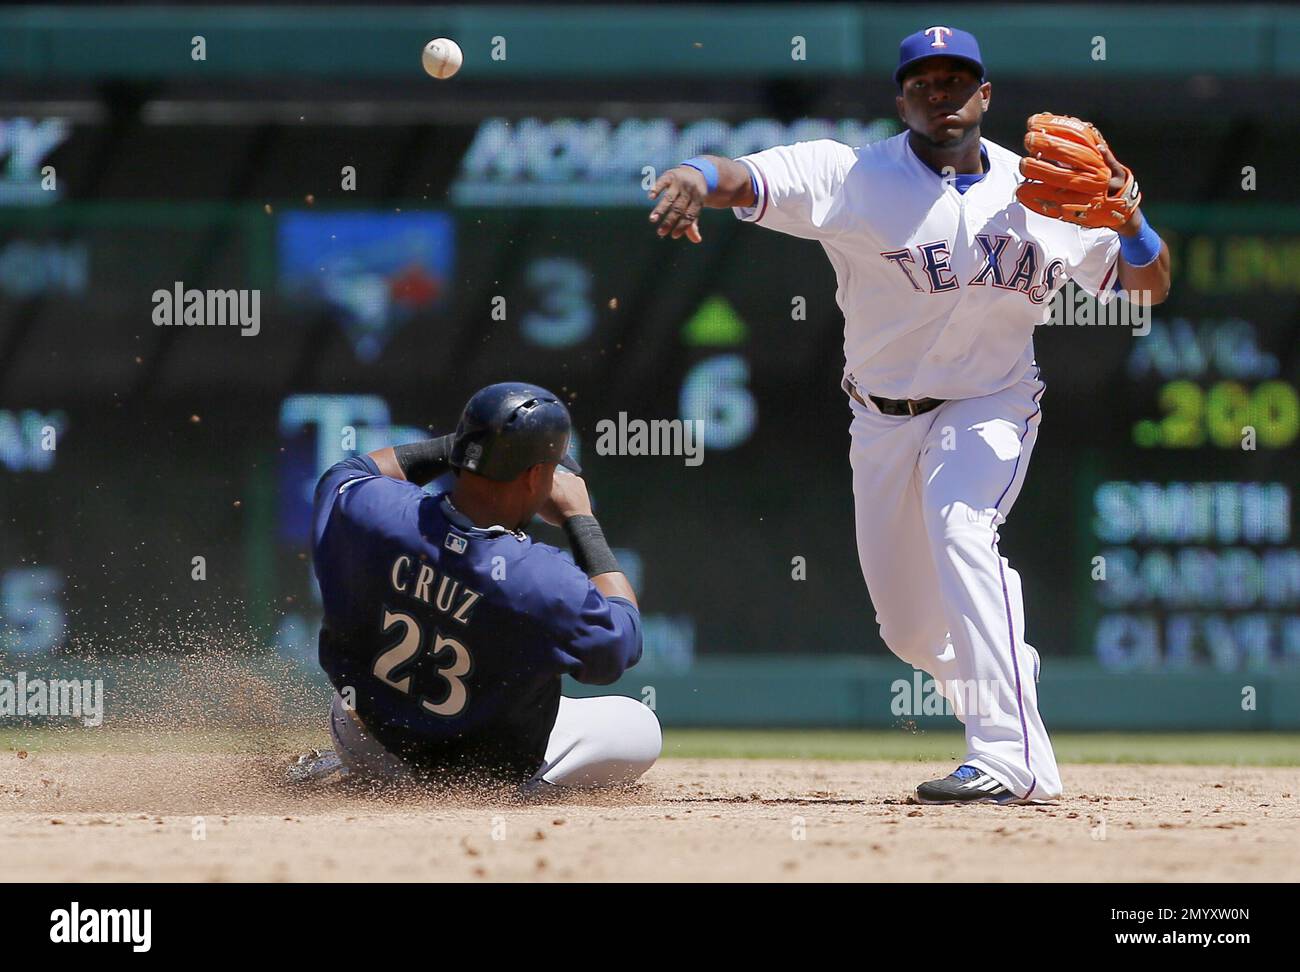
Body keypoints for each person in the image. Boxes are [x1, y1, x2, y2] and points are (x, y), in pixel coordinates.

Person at [645, 26, 1170, 803]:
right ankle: (1008, 686)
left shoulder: (1048, 193)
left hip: (993, 400)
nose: (942, 94)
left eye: (958, 80)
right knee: (911, 632)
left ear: (985, 95)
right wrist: (691, 174)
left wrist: (1131, 224)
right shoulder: (851, 174)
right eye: (925, 82)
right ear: (902, 99)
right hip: (883, 419)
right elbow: (740, 176)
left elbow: (1147, 289)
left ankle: (1005, 755)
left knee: (964, 528)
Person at [290, 381, 661, 792]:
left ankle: (355, 770)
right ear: (536, 474)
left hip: (366, 739)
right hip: (481, 771)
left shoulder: (372, 511)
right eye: (552, 469)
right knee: (639, 725)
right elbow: (622, 639)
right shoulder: (541, 580)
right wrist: (580, 519)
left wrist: (474, 446)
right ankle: (511, 792)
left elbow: (349, 471)